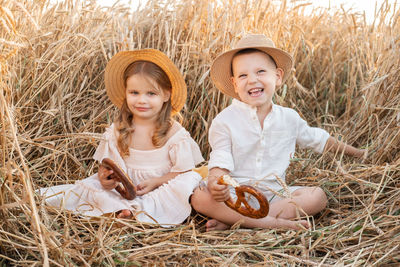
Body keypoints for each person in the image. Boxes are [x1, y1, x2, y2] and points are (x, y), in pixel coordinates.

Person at [191, 34, 366, 231]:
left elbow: (320, 140)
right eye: (243, 75)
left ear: (278, 76)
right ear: (234, 84)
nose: (252, 80)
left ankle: (237, 221)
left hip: (274, 196)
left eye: (260, 72)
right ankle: (272, 223)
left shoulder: (289, 118)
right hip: (234, 195)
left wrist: (359, 154)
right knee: (198, 196)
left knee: (317, 196)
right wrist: (215, 182)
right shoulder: (224, 120)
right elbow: (220, 158)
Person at [39, 49, 204, 226]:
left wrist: (156, 182)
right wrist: (105, 179)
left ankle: (132, 211)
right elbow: (107, 167)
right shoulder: (118, 129)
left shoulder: (174, 133)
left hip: (160, 188)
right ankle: (123, 209)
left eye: (151, 93)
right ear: (126, 92)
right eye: (134, 93)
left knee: (188, 181)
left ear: (166, 95)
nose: (141, 100)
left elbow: (182, 171)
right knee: (93, 187)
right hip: (124, 189)